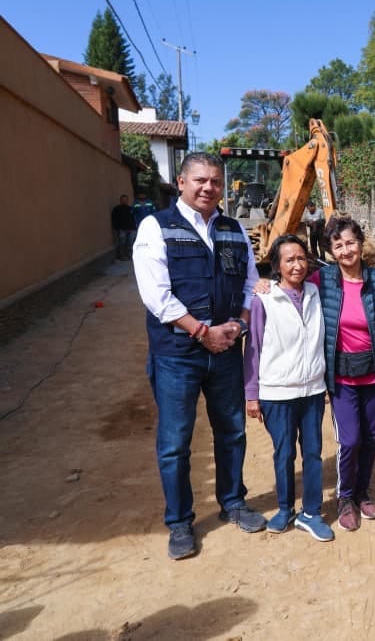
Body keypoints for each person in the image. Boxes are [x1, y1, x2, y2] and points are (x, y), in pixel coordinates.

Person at [132, 152, 264, 560]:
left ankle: (233, 502)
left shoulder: (232, 229)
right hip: (178, 356)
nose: (209, 188)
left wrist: (240, 325)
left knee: (232, 431)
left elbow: (251, 283)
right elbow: (157, 296)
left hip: (225, 351)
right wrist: (202, 332)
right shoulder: (156, 227)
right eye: (201, 180)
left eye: (216, 182)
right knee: (175, 442)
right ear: (181, 181)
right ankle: (180, 523)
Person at [243, 235, 334, 542]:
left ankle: (311, 512)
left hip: (311, 391)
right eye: (289, 260)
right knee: (283, 455)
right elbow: (252, 347)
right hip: (277, 393)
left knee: (313, 453)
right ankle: (285, 509)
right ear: (277, 266)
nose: (297, 265)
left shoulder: (316, 291)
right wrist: (251, 394)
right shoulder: (264, 299)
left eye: (301, 258)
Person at [317, 216, 375, 532]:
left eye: (350, 242)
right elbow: (289, 287)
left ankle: (362, 491)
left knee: (371, 439)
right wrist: (266, 284)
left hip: (374, 375)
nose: (346, 250)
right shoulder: (322, 281)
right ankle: (344, 496)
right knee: (350, 440)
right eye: (338, 245)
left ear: (361, 244)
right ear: (331, 251)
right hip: (342, 377)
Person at [111, 194, 136, 261]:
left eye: (125, 200)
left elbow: (133, 218)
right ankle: (122, 256)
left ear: (127, 200)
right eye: (123, 200)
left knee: (130, 243)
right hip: (121, 229)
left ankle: (130, 255)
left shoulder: (130, 208)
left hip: (131, 229)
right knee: (122, 243)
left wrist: (134, 227)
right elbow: (114, 219)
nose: (124, 201)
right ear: (120, 200)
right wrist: (116, 227)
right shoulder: (116, 209)